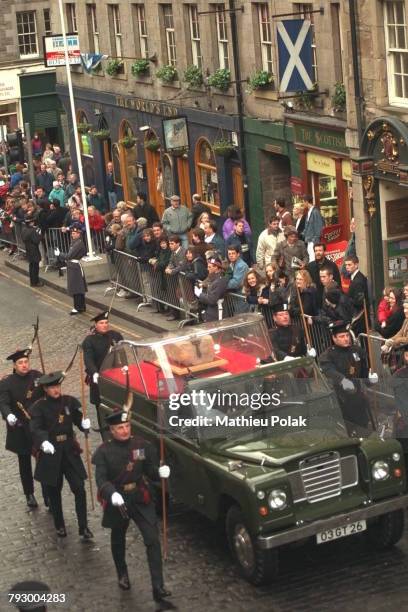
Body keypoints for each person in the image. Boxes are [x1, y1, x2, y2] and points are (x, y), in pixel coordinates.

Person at [92, 410, 172, 601]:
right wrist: (112, 494)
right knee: (118, 538)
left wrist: (160, 472)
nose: (125, 430)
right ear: (112, 430)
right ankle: (122, 573)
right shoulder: (104, 451)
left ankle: (158, 586)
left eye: (127, 426)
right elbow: (101, 479)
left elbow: (150, 471)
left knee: (152, 539)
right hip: (118, 499)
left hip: (139, 497)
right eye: (120, 427)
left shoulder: (141, 445)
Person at [30, 371, 93, 539]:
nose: (56, 390)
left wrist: (84, 425)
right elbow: (36, 428)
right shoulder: (38, 407)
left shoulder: (69, 402)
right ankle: (59, 525)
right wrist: (43, 442)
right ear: (45, 389)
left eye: (58, 386)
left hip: (69, 452)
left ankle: (83, 526)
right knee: (54, 491)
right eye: (52, 387)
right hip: (51, 453)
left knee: (79, 488)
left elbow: (78, 420)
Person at [0, 348, 43, 509]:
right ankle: (29, 493)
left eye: (26, 362)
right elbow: (3, 402)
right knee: (24, 462)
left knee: (43, 460)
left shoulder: (37, 376)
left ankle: (47, 493)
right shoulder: (7, 382)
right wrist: (8, 415)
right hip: (20, 427)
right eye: (20, 363)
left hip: (38, 426)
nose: (24, 365)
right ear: (15, 365)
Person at [319, 320, 378, 430]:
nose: (346, 338)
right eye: (341, 336)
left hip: (358, 395)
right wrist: (343, 380)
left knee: (363, 424)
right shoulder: (328, 355)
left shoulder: (357, 351)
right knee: (349, 427)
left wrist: (370, 379)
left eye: (347, 335)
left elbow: (364, 371)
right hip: (341, 397)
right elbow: (329, 371)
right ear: (334, 338)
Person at [82, 311, 123, 413]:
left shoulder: (113, 335)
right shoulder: (89, 340)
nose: (105, 325)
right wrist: (94, 373)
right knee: (101, 407)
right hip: (99, 377)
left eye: (106, 322)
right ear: (95, 325)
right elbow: (88, 359)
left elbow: (122, 343)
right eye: (101, 323)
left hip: (114, 376)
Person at [56, 223, 87, 314]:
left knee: (76, 288)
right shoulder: (76, 242)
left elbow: (69, 256)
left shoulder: (78, 243)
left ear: (78, 234)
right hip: (73, 266)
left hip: (75, 268)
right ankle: (81, 306)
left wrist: (60, 254)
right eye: (72, 233)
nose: (72, 235)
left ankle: (78, 307)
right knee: (77, 287)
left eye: (74, 233)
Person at [195, 256, 229, 321]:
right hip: (211, 312)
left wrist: (200, 294)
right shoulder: (213, 278)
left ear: (216, 267)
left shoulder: (220, 281)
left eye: (210, 267)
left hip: (217, 313)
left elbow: (212, 300)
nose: (208, 269)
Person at [344, 255, 370, 334]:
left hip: (360, 318)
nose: (347, 267)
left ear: (356, 265)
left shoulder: (359, 280)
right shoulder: (353, 277)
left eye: (349, 265)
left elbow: (359, 302)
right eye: (346, 265)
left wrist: (346, 299)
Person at [21, 216, 44, 287]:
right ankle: (35, 282)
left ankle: (32, 281)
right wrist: (39, 234)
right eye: (32, 222)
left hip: (28, 249)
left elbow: (23, 238)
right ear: (30, 223)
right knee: (35, 267)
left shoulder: (24, 229)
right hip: (34, 249)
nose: (33, 223)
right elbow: (36, 241)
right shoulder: (33, 230)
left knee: (31, 266)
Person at [303, 194, 325, 262]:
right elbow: (308, 227)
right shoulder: (309, 212)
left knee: (313, 260)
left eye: (303, 202)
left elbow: (319, 227)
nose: (303, 204)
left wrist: (315, 242)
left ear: (306, 202)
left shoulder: (315, 212)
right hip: (309, 240)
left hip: (313, 241)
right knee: (311, 260)